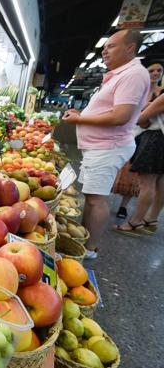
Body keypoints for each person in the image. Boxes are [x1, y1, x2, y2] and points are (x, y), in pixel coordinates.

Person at [62, 29, 150, 259]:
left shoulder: (133, 75)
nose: (104, 49)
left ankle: (88, 250)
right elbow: (110, 110)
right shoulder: (121, 74)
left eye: (111, 45)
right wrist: (82, 114)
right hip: (101, 146)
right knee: (92, 197)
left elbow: (120, 116)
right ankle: (85, 244)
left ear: (130, 47)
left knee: (96, 200)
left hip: (107, 147)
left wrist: (80, 119)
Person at [112, 61, 163, 218]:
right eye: (151, 70)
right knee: (127, 173)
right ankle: (149, 219)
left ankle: (128, 211)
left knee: (141, 180)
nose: (155, 73)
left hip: (148, 137)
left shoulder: (161, 93)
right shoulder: (137, 92)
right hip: (131, 135)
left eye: (159, 70)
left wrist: (144, 109)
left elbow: (137, 118)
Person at [114, 92, 164, 235]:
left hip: (156, 139)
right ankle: (151, 219)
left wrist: (145, 107)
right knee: (160, 182)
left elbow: (140, 118)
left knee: (147, 184)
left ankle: (136, 222)